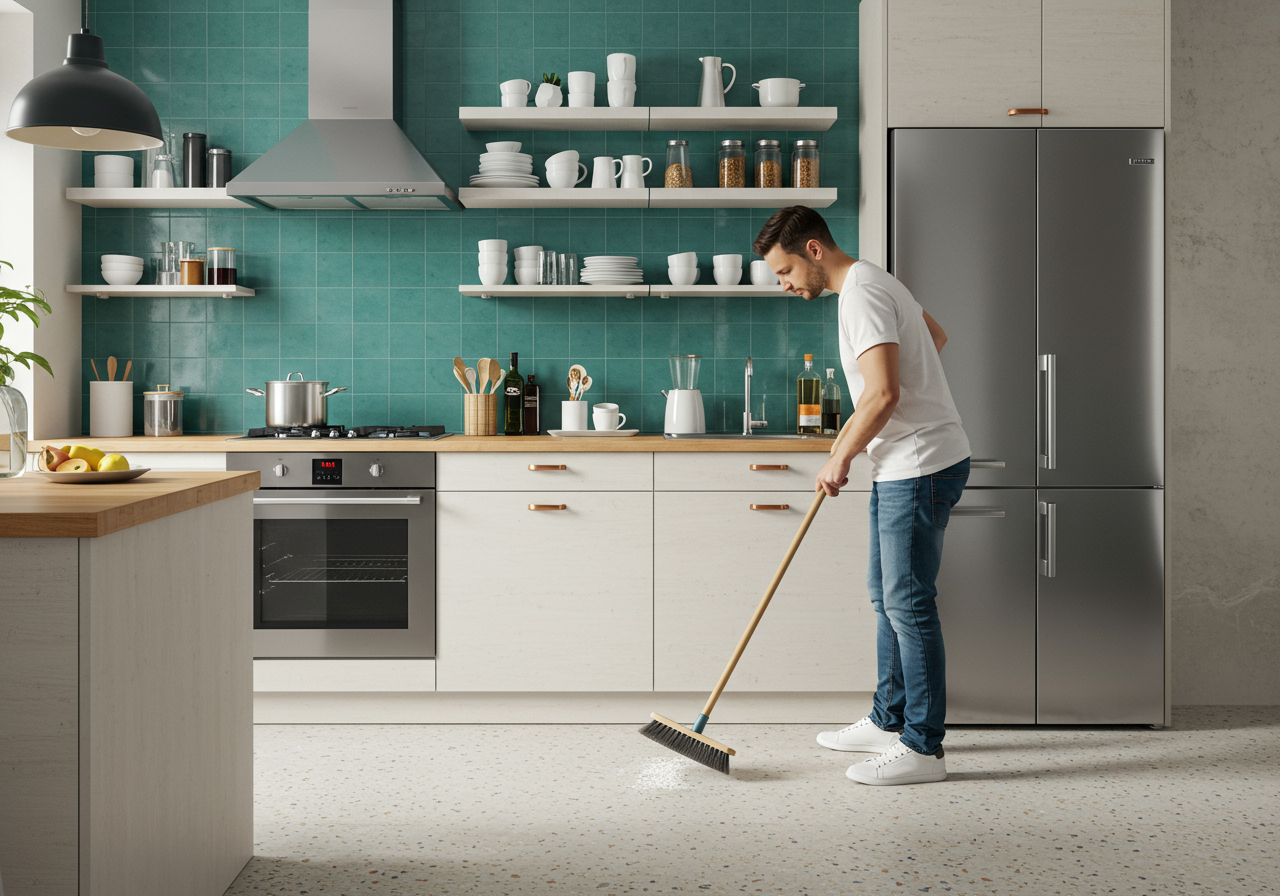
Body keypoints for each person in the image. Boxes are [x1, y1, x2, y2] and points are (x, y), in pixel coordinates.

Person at [754, 207, 971, 786]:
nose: (786, 284)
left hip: (920, 466)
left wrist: (840, 454)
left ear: (815, 250)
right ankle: (888, 720)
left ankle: (924, 749)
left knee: (908, 604)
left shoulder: (861, 295)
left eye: (786, 270)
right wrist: (903, 402)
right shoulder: (874, 280)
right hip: (906, 461)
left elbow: (883, 393)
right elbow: (936, 338)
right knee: (887, 597)